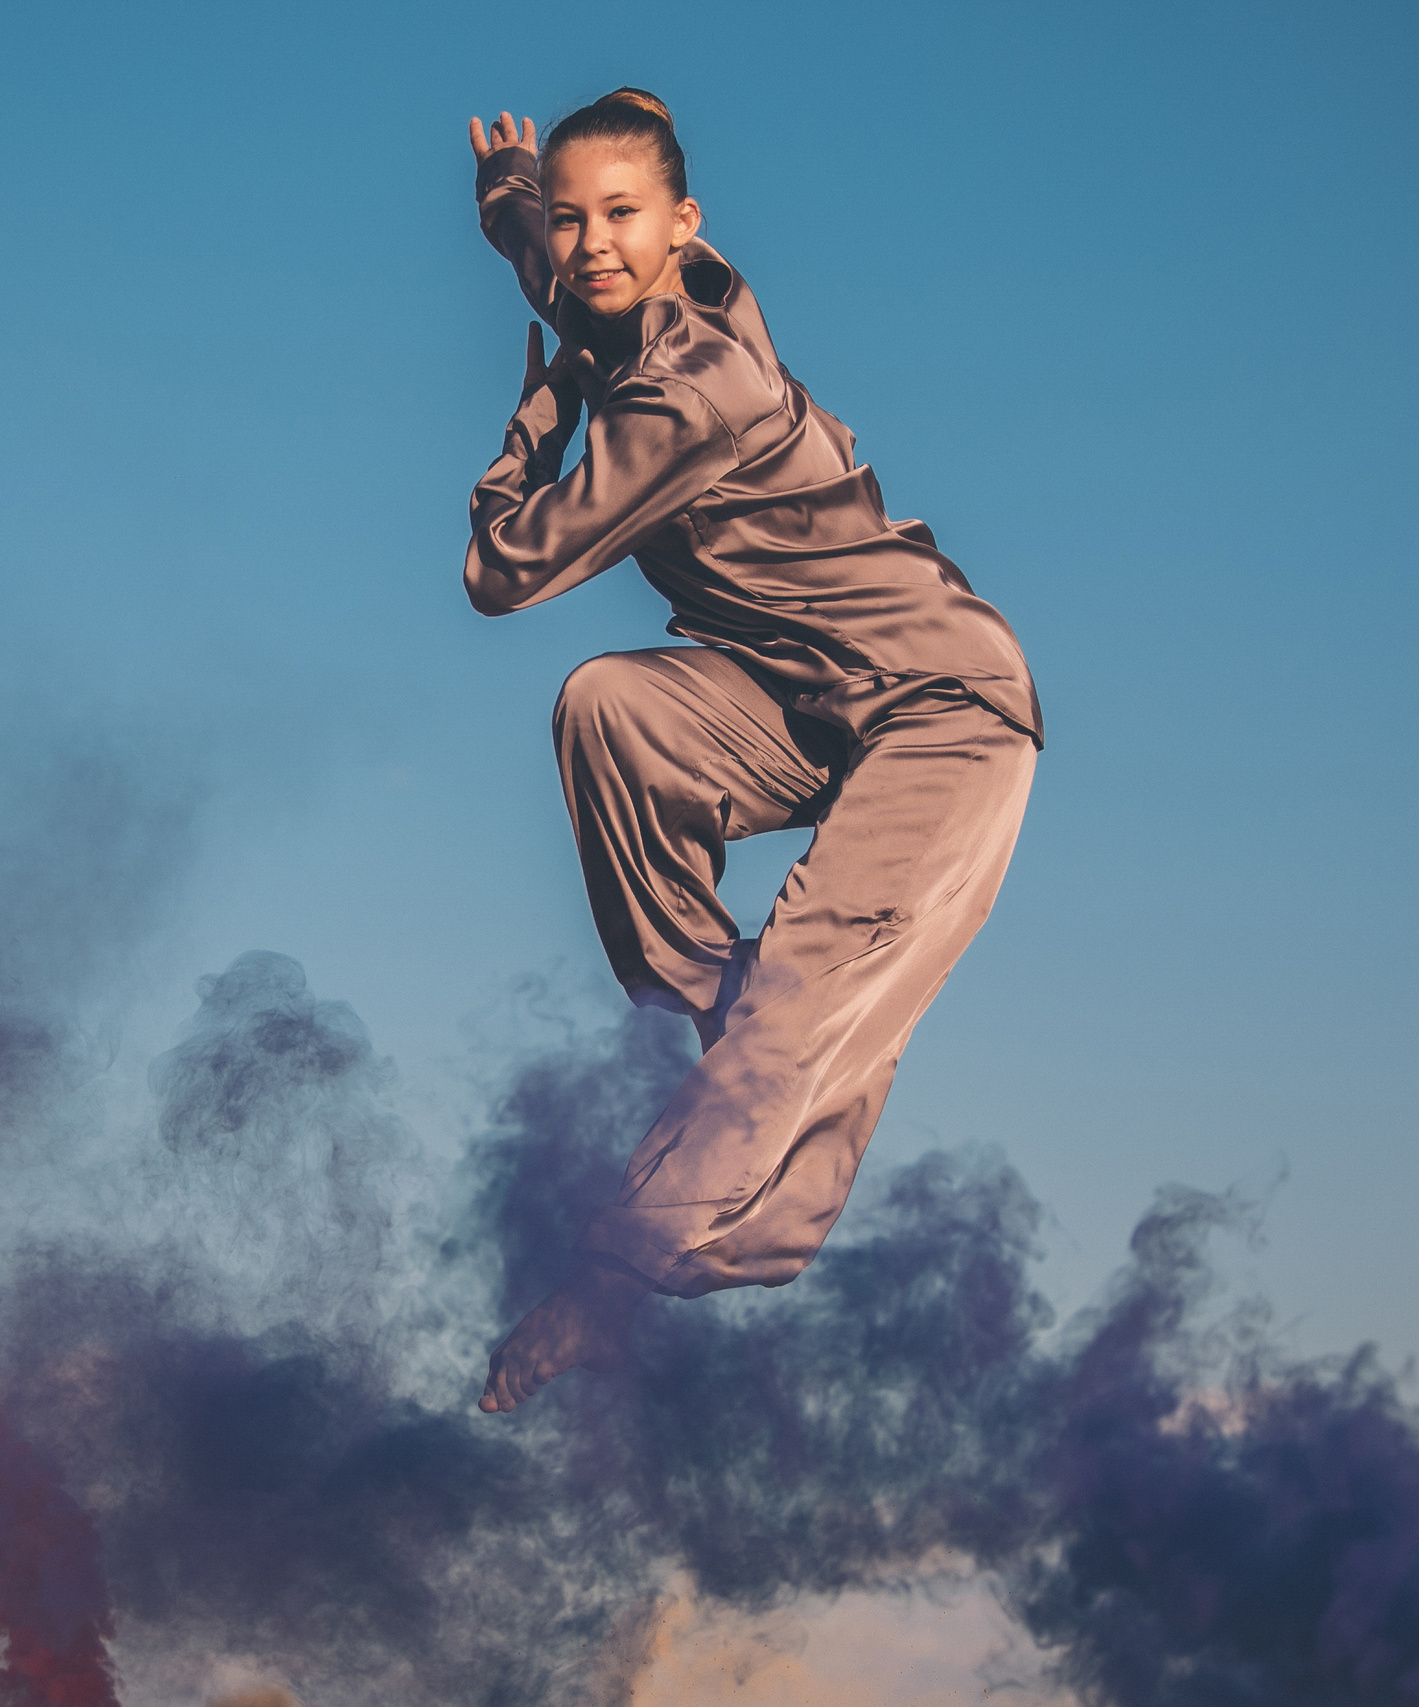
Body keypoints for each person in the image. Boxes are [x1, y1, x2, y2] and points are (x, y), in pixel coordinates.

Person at [464, 90, 1044, 1414]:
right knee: (611, 707)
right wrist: (510, 204)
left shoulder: (689, 390)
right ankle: (746, 1030)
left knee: (808, 986)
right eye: (573, 221)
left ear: (688, 228)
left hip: (946, 714)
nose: (592, 246)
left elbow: (502, 573)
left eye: (624, 219)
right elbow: (559, 274)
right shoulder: (616, 288)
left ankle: (621, 1279)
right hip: (801, 705)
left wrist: (528, 436)